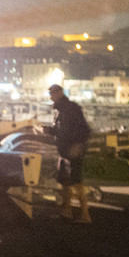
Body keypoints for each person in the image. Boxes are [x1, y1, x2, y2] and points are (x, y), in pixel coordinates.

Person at [47, 84, 92, 222]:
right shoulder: (62, 111)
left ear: (60, 93)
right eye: (50, 94)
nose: (51, 97)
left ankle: (85, 215)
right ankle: (67, 212)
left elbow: (85, 130)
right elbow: (62, 131)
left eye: (53, 93)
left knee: (76, 181)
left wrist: (78, 145)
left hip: (73, 151)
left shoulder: (71, 108)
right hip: (65, 151)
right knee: (65, 181)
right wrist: (49, 130)